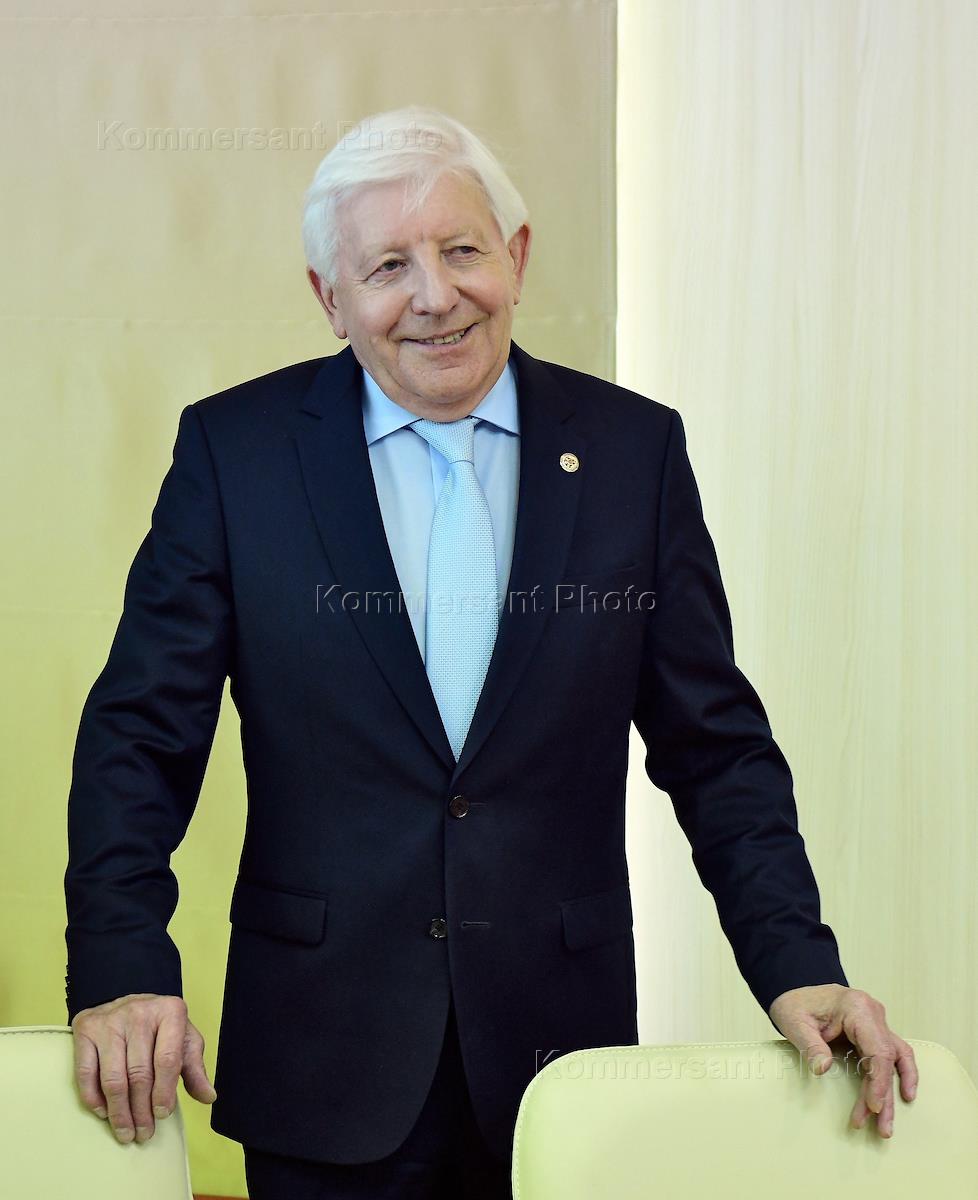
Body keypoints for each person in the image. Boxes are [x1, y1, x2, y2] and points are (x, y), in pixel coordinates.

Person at [64, 106, 918, 1199]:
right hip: (323, 1058)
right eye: (387, 266)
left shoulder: (633, 452)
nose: (435, 295)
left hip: (561, 1068)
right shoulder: (238, 454)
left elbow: (716, 748)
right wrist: (123, 963)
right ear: (329, 298)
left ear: (515, 256)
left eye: (462, 249)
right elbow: (141, 735)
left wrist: (797, 962)